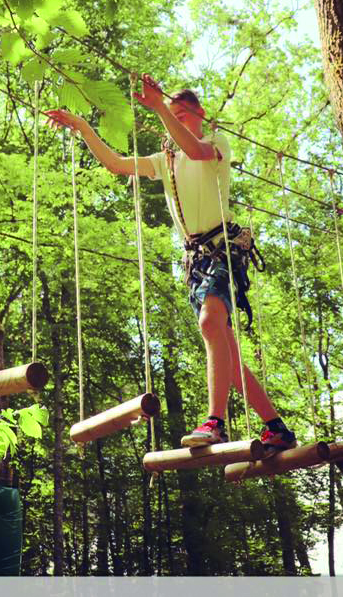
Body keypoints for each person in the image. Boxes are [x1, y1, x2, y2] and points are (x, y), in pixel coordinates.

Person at [47, 74, 297, 453]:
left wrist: (160, 107)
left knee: (210, 324)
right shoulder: (163, 161)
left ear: (200, 115)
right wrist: (82, 127)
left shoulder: (216, 143)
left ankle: (215, 422)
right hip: (196, 261)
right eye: (172, 114)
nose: (176, 120)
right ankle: (276, 427)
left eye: (182, 114)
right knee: (224, 353)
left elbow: (195, 152)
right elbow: (116, 163)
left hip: (224, 248)